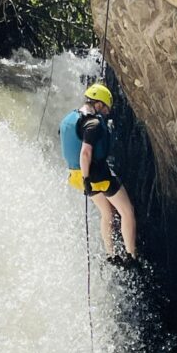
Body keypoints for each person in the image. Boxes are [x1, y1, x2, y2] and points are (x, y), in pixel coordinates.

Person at [59, 83, 138, 266]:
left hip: (76, 177)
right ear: (100, 104)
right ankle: (130, 255)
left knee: (106, 212)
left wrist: (84, 180)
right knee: (127, 211)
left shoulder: (70, 118)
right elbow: (86, 153)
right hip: (95, 176)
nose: (105, 114)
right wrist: (88, 178)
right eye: (105, 109)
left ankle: (111, 254)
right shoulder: (92, 123)